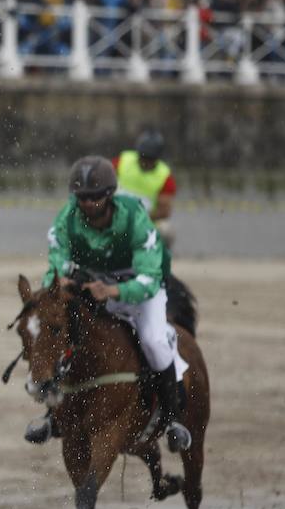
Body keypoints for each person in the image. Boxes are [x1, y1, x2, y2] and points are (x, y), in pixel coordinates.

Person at [27, 155, 191, 452]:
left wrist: (113, 291)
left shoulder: (134, 217)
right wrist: (58, 281)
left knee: (154, 341)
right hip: (95, 281)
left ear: (109, 195)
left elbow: (150, 277)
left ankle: (172, 420)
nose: (88, 203)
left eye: (94, 197)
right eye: (82, 197)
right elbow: (56, 264)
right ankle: (54, 415)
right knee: (66, 330)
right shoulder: (67, 218)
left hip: (141, 285)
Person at [114, 130, 178, 245]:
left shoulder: (165, 177)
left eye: (150, 159)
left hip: (145, 221)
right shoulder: (123, 161)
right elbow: (102, 181)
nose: (145, 162)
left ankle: (157, 259)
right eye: (143, 157)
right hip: (116, 216)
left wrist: (139, 219)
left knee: (166, 230)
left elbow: (164, 211)